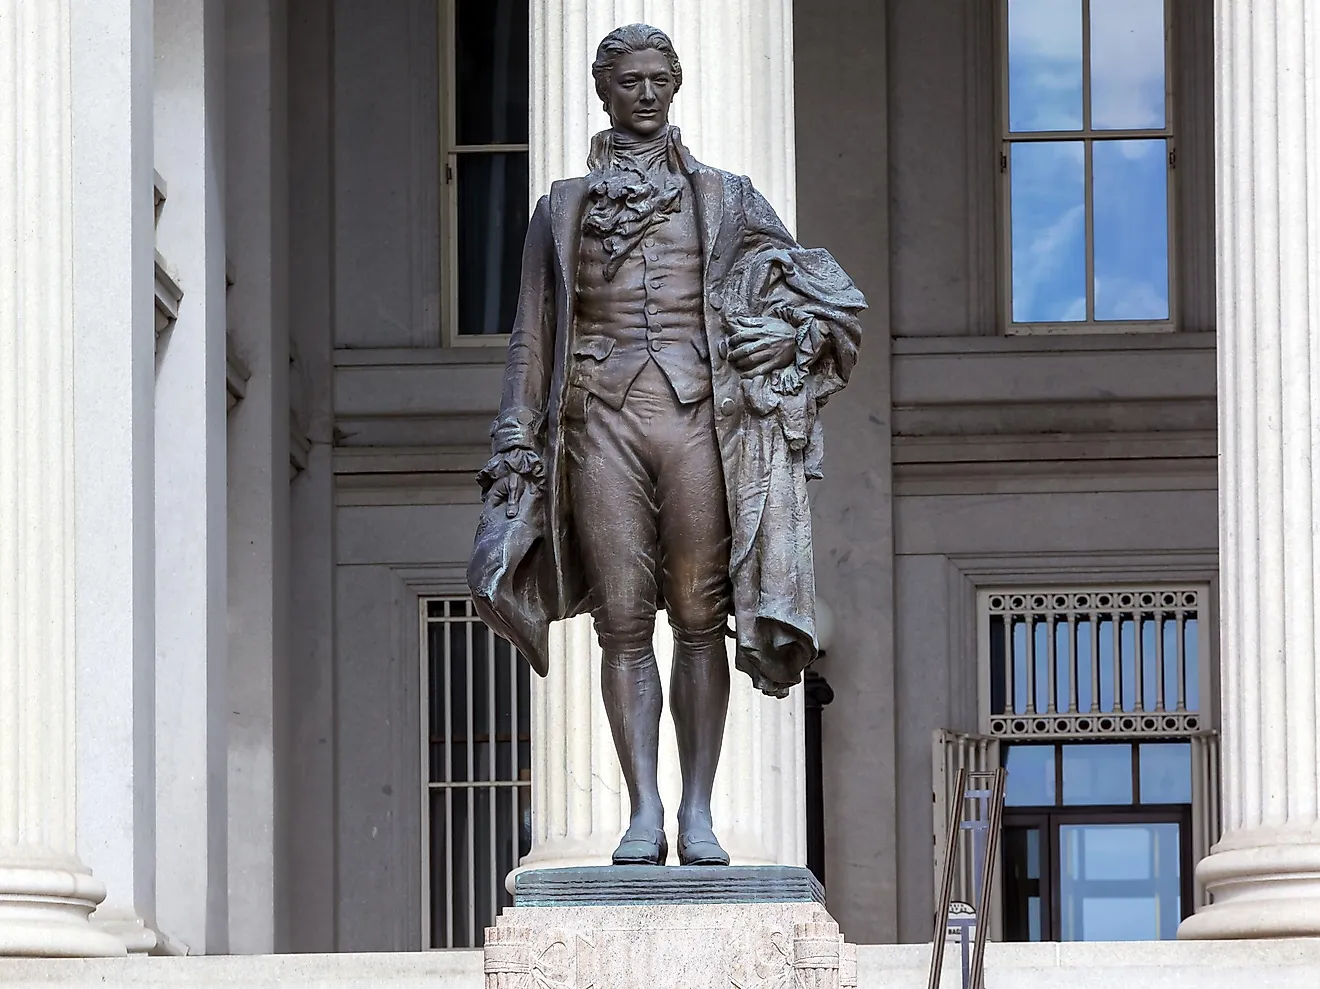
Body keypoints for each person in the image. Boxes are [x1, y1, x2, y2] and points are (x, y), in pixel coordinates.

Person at [469, 24, 865, 867]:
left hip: (699, 421)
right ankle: (642, 810)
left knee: (695, 617)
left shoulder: (727, 196)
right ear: (602, 88)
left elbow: (822, 300)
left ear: (676, 85)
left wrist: (783, 340)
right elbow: (529, 339)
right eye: (629, 81)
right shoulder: (560, 206)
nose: (645, 94)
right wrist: (513, 441)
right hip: (596, 423)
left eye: (658, 80)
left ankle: (697, 811)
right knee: (619, 622)